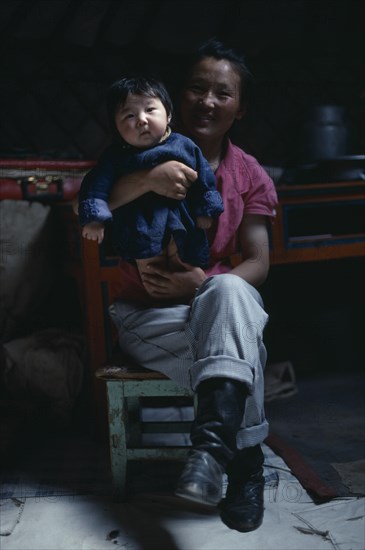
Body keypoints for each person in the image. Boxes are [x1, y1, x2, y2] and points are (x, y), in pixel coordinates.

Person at [107, 39, 278, 532]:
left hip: (216, 306)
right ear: (176, 97)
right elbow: (93, 197)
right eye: (196, 89)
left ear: (239, 107)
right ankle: (244, 465)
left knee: (228, 292)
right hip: (148, 316)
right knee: (245, 350)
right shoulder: (137, 149)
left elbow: (259, 262)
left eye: (221, 93)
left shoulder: (248, 175)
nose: (207, 101)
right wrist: (148, 180)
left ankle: (208, 452)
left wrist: (201, 283)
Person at [77, 76, 224, 276]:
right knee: (151, 271)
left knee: (186, 261)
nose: (141, 120)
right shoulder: (115, 157)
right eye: (129, 115)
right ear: (116, 128)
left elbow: (204, 178)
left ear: (168, 115)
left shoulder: (184, 146)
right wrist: (95, 219)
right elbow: (96, 187)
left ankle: (190, 294)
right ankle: (156, 297)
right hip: (139, 226)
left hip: (181, 219)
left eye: (150, 110)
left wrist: (205, 209)